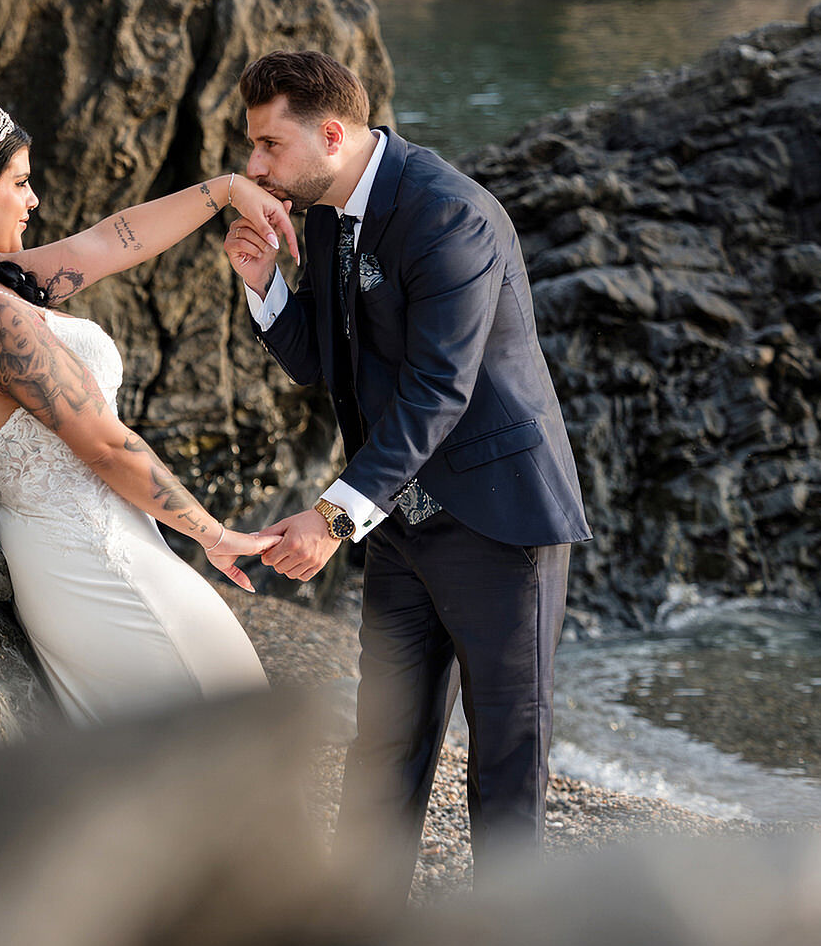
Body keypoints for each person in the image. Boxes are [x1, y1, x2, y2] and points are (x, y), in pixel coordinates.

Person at [222, 51, 592, 891]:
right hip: (400, 519)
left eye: (269, 146)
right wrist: (265, 288)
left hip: (502, 519)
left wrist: (333, 514)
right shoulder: (324, 208)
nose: (255, 167)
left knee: (506, 745)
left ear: (329, 134)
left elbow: (439, 390)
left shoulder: (447, 214)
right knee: (386, 737)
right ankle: (358, 926)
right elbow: (327, 359)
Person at [0, 103, 296, 725]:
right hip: (98, 564)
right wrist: (214, 534)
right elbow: (105, 446)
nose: (35, 199)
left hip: (81, 553)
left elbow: (110, 241)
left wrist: (229, 190)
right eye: (20, 182)